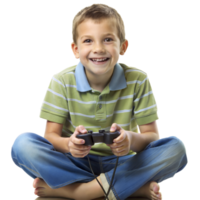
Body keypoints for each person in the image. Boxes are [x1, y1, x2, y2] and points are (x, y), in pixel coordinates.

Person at [9, 3, 188, 200]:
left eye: (108, 39)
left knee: (176, 148)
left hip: (121, 162)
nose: (98, 49)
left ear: (123, 47)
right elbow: (51, 136)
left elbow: (151, 136)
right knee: (22, 144)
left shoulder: (139, 79)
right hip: (73, 161)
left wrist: (129, 139)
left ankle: (78, 192)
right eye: (88, 41)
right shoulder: (61, 80)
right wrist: (70, 144)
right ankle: (129, 187)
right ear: (75, 49)